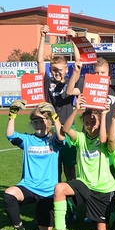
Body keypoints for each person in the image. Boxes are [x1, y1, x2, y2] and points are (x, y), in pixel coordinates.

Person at [49, 97, 115, 230]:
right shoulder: (80, 137)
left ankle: (110, 214)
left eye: (93, 122)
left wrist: (104, 114)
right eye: (87, 123)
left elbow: (105, 141)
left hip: (103, 189)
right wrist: (76, 109)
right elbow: (65, 129)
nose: (90, 125)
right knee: (59, 188)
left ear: (99, 123)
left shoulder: (104, 140)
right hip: (84, 184)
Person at [4, 101, 64, 230]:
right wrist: (12, 115)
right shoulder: (27, 140)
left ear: (48, 122)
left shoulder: (53, 140)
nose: (38, 124)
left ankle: (47, 213)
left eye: (41, 121)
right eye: (35, 122)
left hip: (48, 191)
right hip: (29, 187)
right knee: (9, 194)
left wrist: (55, 118)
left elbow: (62, 137)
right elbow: (10, 135)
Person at [37, 25, 77, 181]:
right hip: (51, 130)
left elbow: (79, 61)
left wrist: (73, 39)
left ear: (67, 70)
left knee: (70, 170)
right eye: (54, 70)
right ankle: (55, 202)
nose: (57, 73)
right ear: (50, 70)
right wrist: (42, 37)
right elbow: (40, 60)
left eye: (60, 70)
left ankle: (72, 203)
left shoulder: (70, 83)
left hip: (68, 129)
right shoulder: (47, 82)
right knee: (54, 170)